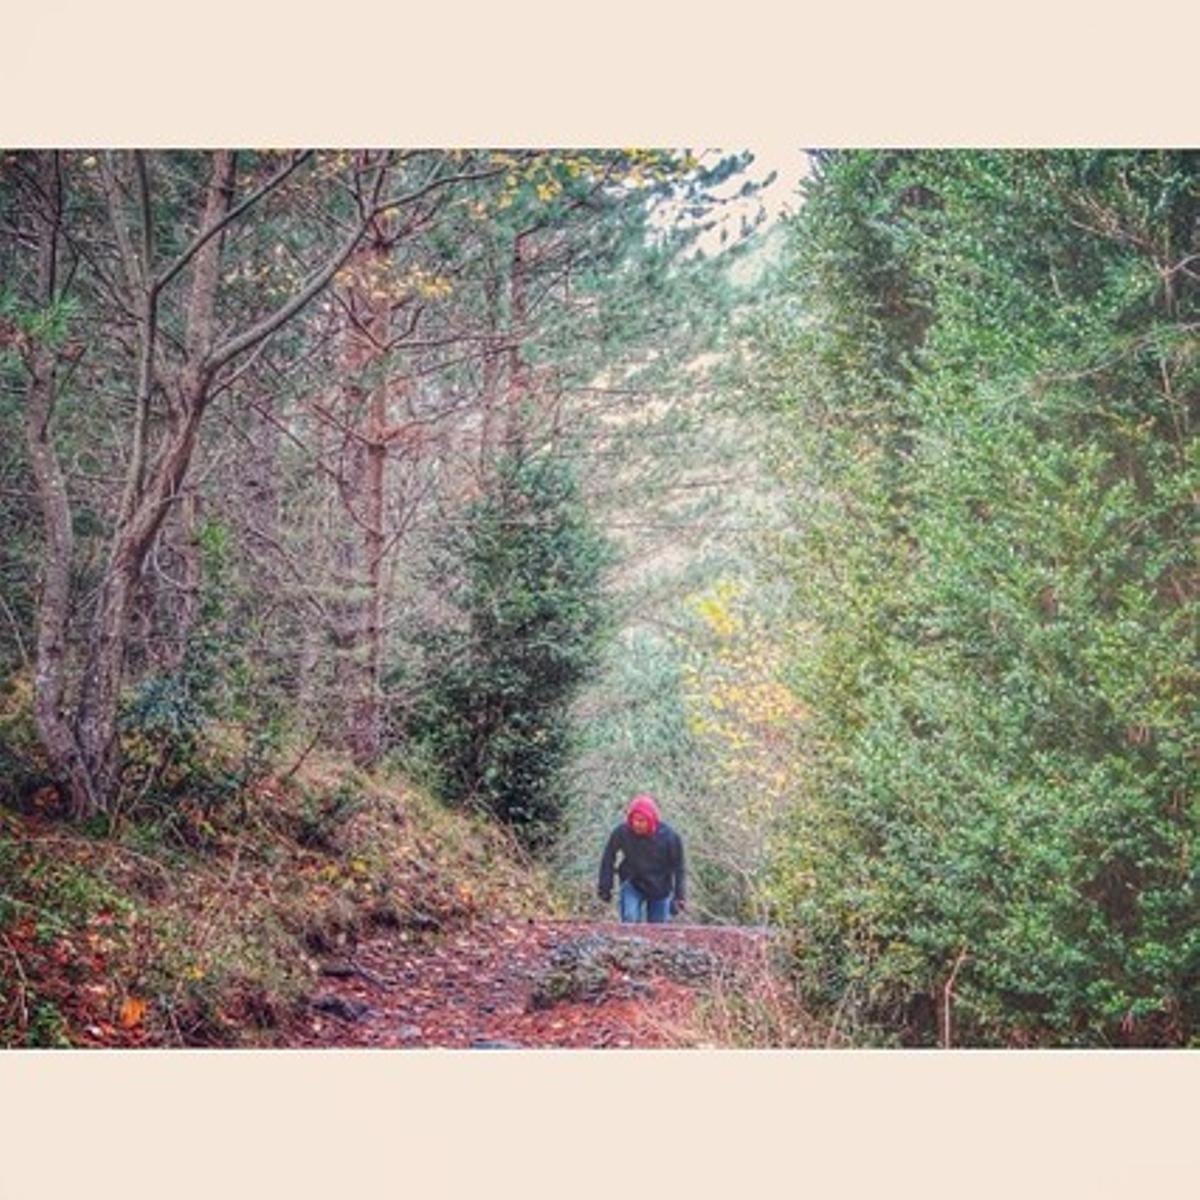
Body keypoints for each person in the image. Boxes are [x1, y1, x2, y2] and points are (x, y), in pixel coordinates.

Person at [597, 793, 686, 923]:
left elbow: (679, 868)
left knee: (658, 930)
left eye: (642, 821)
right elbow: (608, 857)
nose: (637, 824)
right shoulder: (622, 833)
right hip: (633, 882)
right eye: (634, 820)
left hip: (660, 887)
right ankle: (628, 943)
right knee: (630, 919)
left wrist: (679, 896)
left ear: (651, 820)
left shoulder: (669, 838)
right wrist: (605, 886)